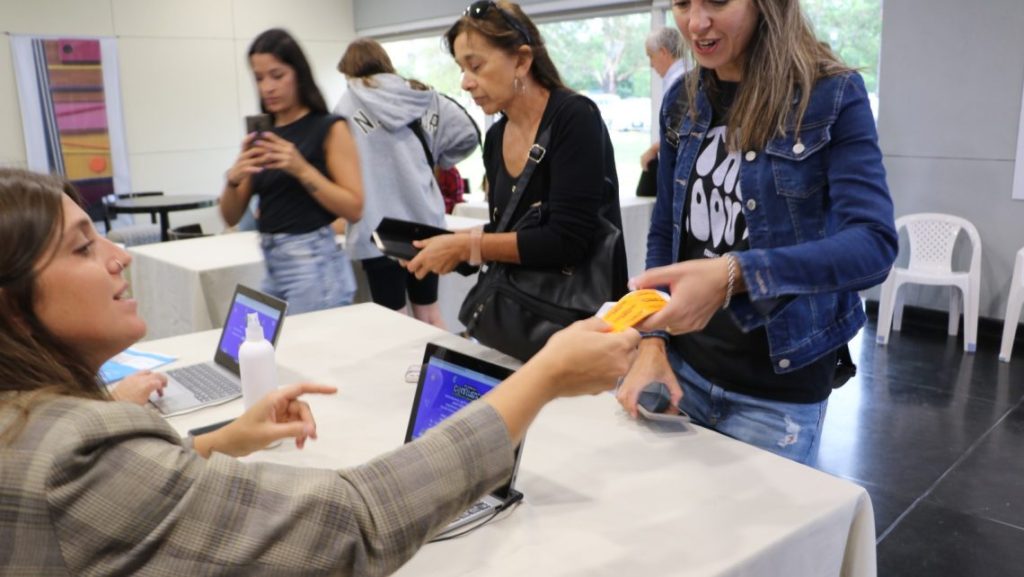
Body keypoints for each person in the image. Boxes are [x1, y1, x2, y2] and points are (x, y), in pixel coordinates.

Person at [0, 168, 640, 575]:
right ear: (14, 306)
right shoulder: (75, 456)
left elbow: (121, 506)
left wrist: (219, 441)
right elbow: (352, 521)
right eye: (84, 247)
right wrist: (544, 376)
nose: (118, 257)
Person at [616, 0, 897, 465]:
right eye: (683, 3)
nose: (696, 22)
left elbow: (873, 244)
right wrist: (652, 340)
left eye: (718, 2)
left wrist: (736, 272)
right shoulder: (682, 100)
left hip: (777, 391)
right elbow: (665, 231)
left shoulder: (830, 94)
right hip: (680, 368)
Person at [407, 0, 626, 357]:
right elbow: (510, 235)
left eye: (475, 66)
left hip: (579, 332)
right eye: (462, 68)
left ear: (522, 61)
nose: (465, 82)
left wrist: (468, 246)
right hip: (517, 329)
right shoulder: (495, 138)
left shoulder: (574, 118)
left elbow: (567, 240)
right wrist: (444, 251)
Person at [334, 37, 480, 329]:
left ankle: (405, 376)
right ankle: (441, 371)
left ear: (349, 70)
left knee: (394, 322)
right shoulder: (421, 94)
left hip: (378, 229)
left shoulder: (346, 105)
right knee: (429, 313)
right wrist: (442, 159)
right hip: (426, 223)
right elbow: (469, 133)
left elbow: (335, 165)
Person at [220, 28, 363, 315]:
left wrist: (300, 168)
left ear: (298, 73)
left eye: (277, 75)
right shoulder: (266, 134)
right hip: (273, 261)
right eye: (259, 78)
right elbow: (230, 215)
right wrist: (233, 180)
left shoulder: (329, 127)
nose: (267, 88)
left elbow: (354, 208)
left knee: (309, 356)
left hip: (314, 263)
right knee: (254, 352)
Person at [639, 26, 687, 172]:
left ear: (663, 52)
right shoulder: (685, 77)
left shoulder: (679, 84)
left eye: (650, 56)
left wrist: (653, 150)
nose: (651, 64)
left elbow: (677, 134)